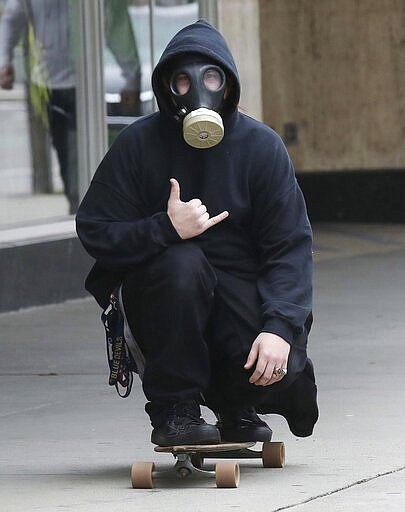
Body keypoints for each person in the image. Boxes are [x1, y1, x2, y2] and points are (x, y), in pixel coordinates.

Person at [76, 19, 319, 447]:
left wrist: (280, 329)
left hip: (237, 294)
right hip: (162, 300)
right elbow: (95, 229)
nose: (198, 89)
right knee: (181, 263)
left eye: (210, 77)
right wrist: (165, 228)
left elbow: (291, 247)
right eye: (183, 81)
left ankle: (235, 405)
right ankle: (177, 409)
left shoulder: (261, 148)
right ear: (168, 87)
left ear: (227, 85)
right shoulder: (139, 144)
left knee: (274, 362)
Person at [0, 0, 141, 214]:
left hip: (87, 85)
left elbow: (117, 26)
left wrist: (131, 77)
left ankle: (90, 211)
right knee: (67, 157)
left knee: (90, 155)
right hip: (48, 84)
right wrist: (4, 60)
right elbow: (12, 17)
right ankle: (80, 211)